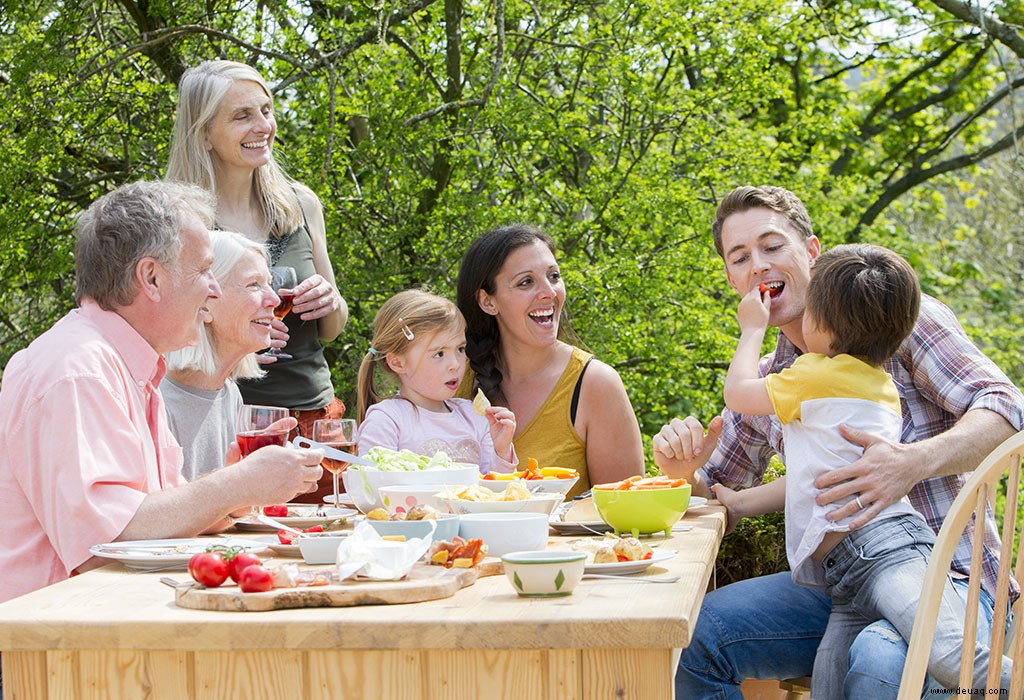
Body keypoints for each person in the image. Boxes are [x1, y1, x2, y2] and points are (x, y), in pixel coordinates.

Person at [653, 185, 1023, 698]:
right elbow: (719, 498)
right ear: (732, 278)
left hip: (949, 578)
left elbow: (1008, 408)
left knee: (877, 656)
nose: (758, 264)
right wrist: (683, 473)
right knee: (698, 637)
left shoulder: (898, 321)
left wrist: (912, 462)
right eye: (741, 257)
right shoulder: (775, 382)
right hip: (842, 583)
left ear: (811, 251)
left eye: (772, 246)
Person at [0, 181, 325, 605]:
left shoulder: (128, 365)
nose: (213, 289)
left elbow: (158, 520)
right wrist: (236, 483)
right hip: (52, 650)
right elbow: (109, 545)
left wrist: (237, 492)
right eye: (204, 270)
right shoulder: (79, 370)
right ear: (150, 278)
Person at [165, 59, 347, 440]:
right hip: (224, 420)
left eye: (266, 111)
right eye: (243, 116)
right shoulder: (178, 222)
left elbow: (332, 330)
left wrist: (329, 300)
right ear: (204, 133)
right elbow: (164, 341)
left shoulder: (301, 203)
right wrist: (238, 351)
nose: (263, 127)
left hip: (314, 415)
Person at [456, 224, 644, 497]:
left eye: (554, 276)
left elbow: (627, 510)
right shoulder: (453, 377)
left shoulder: (595, 384)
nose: (549, 292)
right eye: (526, 282)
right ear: (487, 302)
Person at [356, 289, 518, 474]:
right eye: (439, 354)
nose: (455, 364)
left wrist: (502, 451)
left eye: (460, 349)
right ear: (398, 362)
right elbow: (372, 487)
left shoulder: (474, 417)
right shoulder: (387, 420)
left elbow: (497, 492)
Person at [162, 230, 278, 481]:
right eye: (254, 284)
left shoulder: (228, 394)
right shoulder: (159, 402)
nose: (275, 299)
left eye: (269, 283)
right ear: (207, 302)